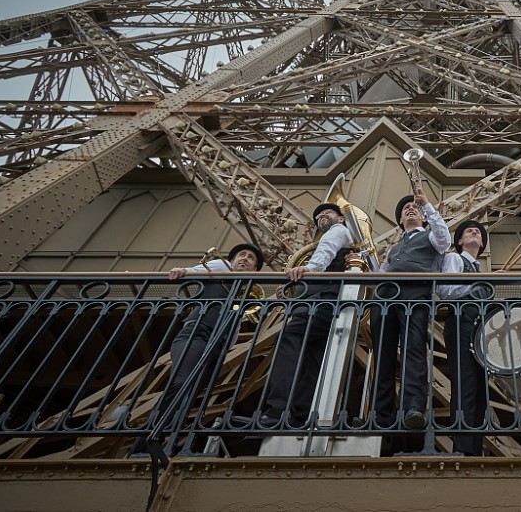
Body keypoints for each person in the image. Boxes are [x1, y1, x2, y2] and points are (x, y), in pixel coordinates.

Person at [132, 242, 263, 455]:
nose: (245, 259)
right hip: (196, 332)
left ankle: (166, 442)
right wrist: (183, 271)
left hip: (218, 344)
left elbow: (236, 326)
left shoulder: (244, 290)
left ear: (255, 270)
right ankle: (146, 442)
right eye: (242, 255)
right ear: (232, 260)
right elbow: (196, 270)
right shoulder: (222, 267)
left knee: (192, 394)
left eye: (251, 258)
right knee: (182, 382)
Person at [245, 202, 356, 428]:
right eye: (318, 216)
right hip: (327, 302)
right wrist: (294, 287)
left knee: (288, 338)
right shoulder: (339, 237)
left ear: (341, 219)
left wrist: (308, 269)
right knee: (311, 361)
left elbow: (324, 253)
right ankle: (300, 416)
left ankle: (277, 410)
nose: (321, 216)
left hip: (321, 302)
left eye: (328, 213)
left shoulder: (338, 232)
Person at [371, 189, 451, 430]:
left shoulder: (432, 237)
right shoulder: (394, 249)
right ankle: (380, 414)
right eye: (405, 209)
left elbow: (445, 238)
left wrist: (427, 205)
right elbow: (380, 275)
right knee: (382, 355)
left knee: (413, 348)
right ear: (400, 221)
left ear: (424, 217)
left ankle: (413, 407)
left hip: (414, 295)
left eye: (413, 207)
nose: (409, 209)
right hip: (385, 297)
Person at [439, 219, 490, 455]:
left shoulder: (479, 270)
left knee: (481, 389)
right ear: (459, 241)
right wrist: (480, 283)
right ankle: (462, 449)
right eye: (469, 231)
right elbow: (447, 291)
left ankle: (474, 449)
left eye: (478, 232)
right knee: (465, 383)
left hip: (479, 328)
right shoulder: (454, 259)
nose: (475, 232)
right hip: (460, 322)